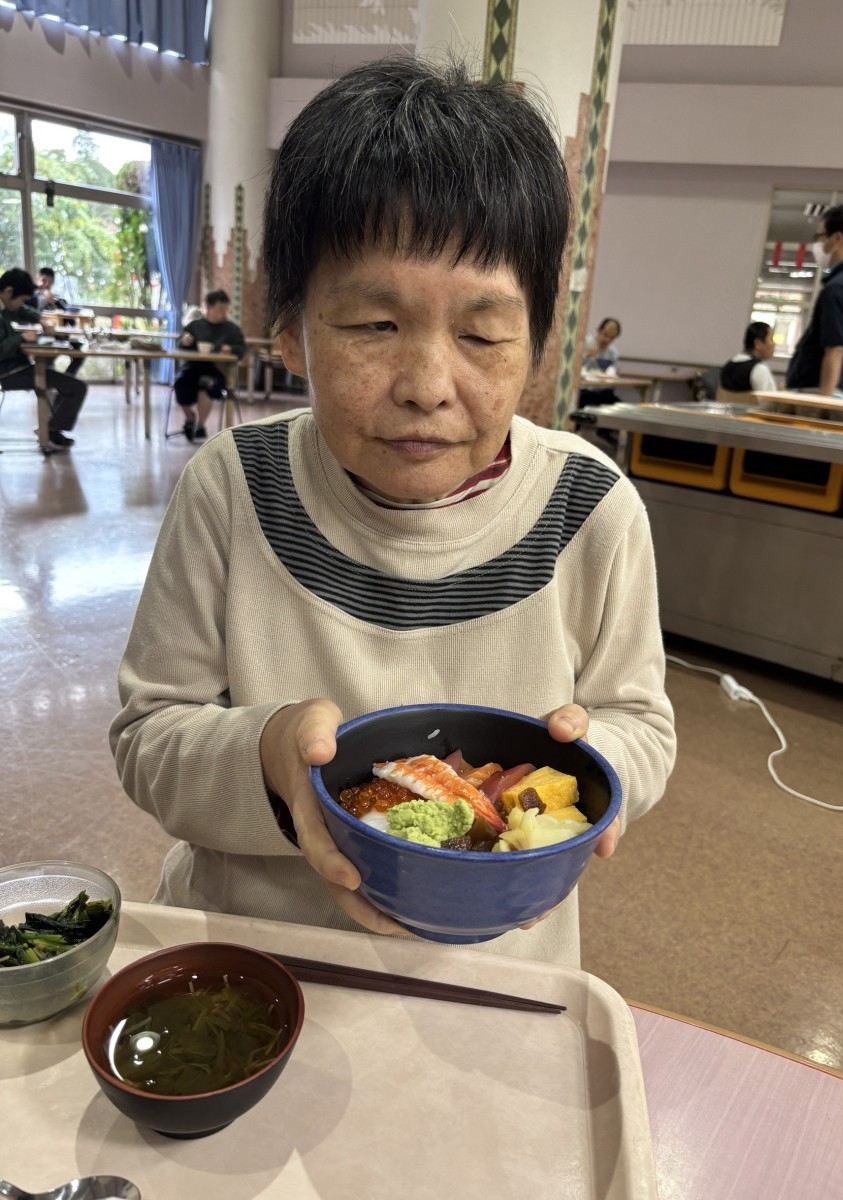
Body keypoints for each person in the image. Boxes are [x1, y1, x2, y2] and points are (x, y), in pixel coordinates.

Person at [110, 57, 676, 969]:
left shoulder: (591, 507)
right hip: (255, 951)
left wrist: (587, 768)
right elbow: (150, 735)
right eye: (374, 326)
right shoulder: (233, 484)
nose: (426, 387)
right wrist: (269, 754)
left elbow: (639, 723)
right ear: (291, 331)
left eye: (482, 334)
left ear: (537, 343)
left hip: (492, 961)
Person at [785, 204, 843, 398]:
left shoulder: (839, 287)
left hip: (819, 389)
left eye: (820, 237)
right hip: (840, 387)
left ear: (837, 239)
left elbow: (835, 348)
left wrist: (823, 403)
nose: (818, 245)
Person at [0, 267, 88, 450]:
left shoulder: (6, 306)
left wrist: (41, 320)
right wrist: (21, 338)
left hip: (17, 367)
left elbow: (23, 310)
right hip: (9, 373)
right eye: (21, 299)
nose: (22, 304)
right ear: (8, 292)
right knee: (76, 387)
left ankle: (51, 430)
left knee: (66, 384)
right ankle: (50, 431)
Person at [174, 289, 247, 440]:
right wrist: (185, 342)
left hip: (217, 370)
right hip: (192, 368)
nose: (224, 313)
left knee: (206, 385)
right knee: (179, 383)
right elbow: (180, 343)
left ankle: (200, 426)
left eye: (226, 309)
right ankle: (189, 418)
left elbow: (242, 348)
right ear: (208, 307)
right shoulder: (194, 326)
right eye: (220, 309)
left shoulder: (232, 330)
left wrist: (231, 349)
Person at [31, 267, 84, 379]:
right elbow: (30, 314)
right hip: (39, 338)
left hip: (59, 338)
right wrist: (43, 300)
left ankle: (65, 379)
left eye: (50, 282)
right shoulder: (30, 298)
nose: (46, 285)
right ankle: (49, 382)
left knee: (80, 352)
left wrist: (57, 303)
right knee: (45, 361)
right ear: (37, 279)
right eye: (44, 281)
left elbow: (71, 322)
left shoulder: (59, 301)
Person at [719, 321, 778, 394]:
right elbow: (769, 399)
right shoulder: (759, 369)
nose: (774, 344)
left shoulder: (727, 366)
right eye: (771, 339)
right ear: (758, 344)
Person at [578, 317, 622, 408]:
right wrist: (587, 356)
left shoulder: (613, 352)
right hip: (585, 390)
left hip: (604, 391)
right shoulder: (584, 344)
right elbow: (575, 368)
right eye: (605, 335)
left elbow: (614, 372)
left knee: (619, 406)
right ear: (598, 331)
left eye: (612, 338)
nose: (607, 340)